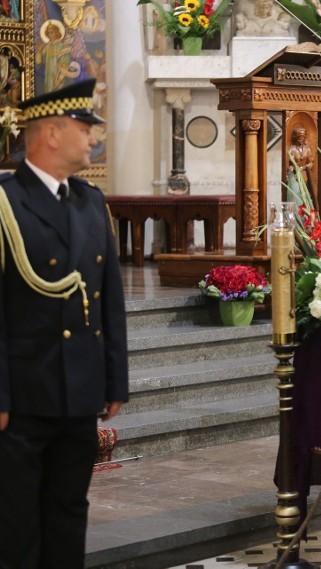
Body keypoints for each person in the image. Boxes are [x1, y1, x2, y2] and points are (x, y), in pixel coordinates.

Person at [0, 79, 129, 569]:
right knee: (15, 522)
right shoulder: (6, 203)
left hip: (78, 392)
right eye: (84, 128)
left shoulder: (90, 201)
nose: (92, 138)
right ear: (51, 133)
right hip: (22, 398)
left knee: (69, 511)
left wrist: (114, 380)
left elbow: (108, 298)